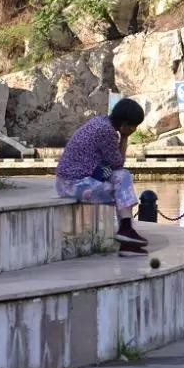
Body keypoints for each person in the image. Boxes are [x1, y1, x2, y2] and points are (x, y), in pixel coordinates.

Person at [56, 98, 148, 257]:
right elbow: (118, 163)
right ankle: (127, 234)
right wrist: (124, 138)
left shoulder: (101, 122)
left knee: (121, 179)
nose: (134, 129)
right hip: (72, 184)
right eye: (134, 126)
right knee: (122, 180)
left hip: (80, 180)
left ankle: (127, 235)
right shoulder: (107, 132)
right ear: (125, 124)